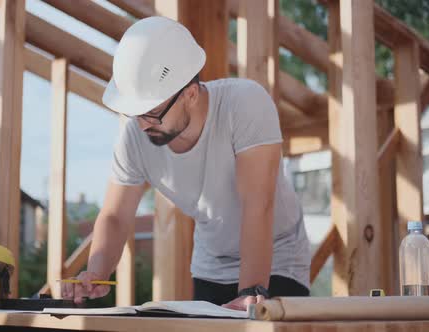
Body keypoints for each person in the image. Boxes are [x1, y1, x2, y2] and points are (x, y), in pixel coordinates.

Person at [61, 16, 310, 311]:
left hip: (278, 258)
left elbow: (258, 204)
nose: (142, 125)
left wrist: (252, 290)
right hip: (211, 263)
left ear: (190, 94)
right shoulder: (135, 137)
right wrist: (96, 273)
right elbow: (115, 215)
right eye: (135, 113)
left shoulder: (245, 105)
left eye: (151, 112)